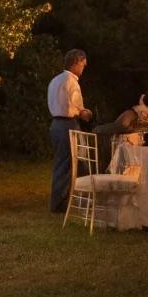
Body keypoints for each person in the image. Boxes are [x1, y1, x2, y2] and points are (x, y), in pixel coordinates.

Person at [46, 49, 92, 213]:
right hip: (68, 125)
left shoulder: (54, 81)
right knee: (73, 163)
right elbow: (80, 110)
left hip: (55, 125)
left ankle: (66, 201)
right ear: (75, 62)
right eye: (82, 65)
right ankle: (63, 204)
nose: (83, 68)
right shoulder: (72, 82)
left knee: (62, 163)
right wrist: (88, 114)